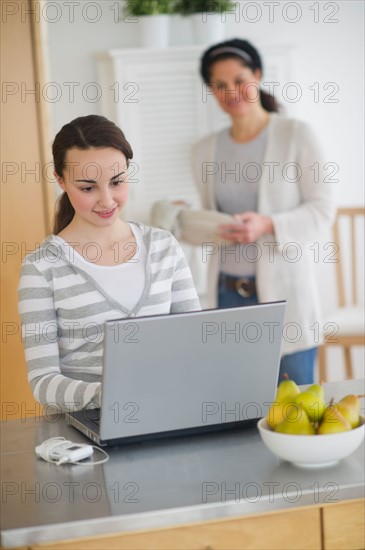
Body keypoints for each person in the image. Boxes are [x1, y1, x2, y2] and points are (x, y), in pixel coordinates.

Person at [152, 38, 334, 385]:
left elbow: (322, 210)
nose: (231, 91)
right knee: (235, 409)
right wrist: (183, 219)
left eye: (239, 80)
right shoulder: (203, 150)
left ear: (258, 75)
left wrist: (267, 224)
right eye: (219, 85)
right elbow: (219, 227)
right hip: (226, 295)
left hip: (285, 300)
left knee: (295, 410)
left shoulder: (296, 134)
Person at [18, 115, 201, 412]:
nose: (107, 200)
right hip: (88, 429)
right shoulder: (41, 268)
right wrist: (113, 396)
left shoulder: (163, 247)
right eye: (88, 188)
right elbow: (43, 380)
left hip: (169, 412)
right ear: (61, 180)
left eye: (117, 182)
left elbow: (196, 343)